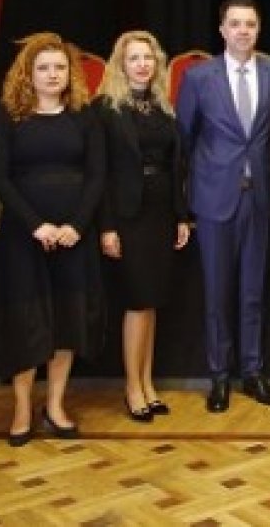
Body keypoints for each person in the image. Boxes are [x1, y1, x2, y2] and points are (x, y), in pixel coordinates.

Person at [0, 32, 106, 444]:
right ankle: (22, 407)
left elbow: (97, 175)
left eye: (60, 67)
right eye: (43, 68)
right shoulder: (9, 115)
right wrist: (35, 225)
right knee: (26, 322)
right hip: (24, 236)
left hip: (74, 236)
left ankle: (55, 405)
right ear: (27, 73)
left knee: (67, 321)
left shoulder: (84, 115)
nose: (53, 74)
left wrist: (76, 225)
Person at [176, 0, 270, 412]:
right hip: (214, 199)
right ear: (222, 30)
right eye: (235, 24)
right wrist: (183, 206)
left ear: (258, 30)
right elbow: (184, 139)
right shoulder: (198, 77)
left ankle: (253, 371)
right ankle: (219, 377)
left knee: (254, 291)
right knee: (217, 292)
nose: (243, 31)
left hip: (260, 197)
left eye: (250, 24)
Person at [95, 30, 191, 422]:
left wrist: (182, 215)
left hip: (161, 211)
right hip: (126, 215)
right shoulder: (106, 108)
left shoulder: (163, 106)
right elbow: (99, 172)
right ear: (121, 64)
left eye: (148, 58)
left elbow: (176, 165)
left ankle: (148, 383)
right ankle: (132, 388)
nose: (142, 65)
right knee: (137, 302)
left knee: (151, 302)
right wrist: (106, 226)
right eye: (134, 58)